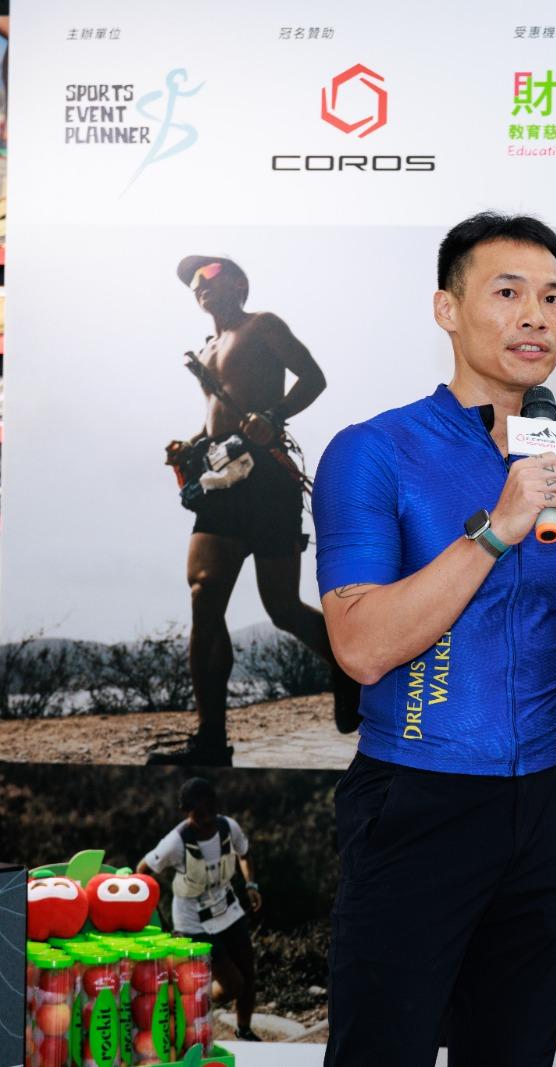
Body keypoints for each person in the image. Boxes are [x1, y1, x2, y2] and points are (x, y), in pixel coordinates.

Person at [311, 212, 556, 1067]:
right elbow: (360, 647)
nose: (536, 316)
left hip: (549, 806)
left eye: (553, 298)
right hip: (417, 798)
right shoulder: (373, 451)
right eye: (508, 293)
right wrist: (495, 529)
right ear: (447, 309)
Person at [155, 254, 359, 765]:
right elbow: (216, 417)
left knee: (282, 607)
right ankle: (210, 740)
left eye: (210, 273)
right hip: (220, 478)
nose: (200, 284)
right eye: (193, 281)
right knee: (204, 593)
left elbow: (313, 377)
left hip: (268, 475)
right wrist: (191, 444)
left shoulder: (263, 325)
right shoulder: (205, 350)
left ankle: (347, 670)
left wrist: (275, 414)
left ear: (238, 283)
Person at [137, 776, 262, 1042]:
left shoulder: (228, 827)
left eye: (210, 809)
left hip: (227, 910)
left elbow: (245, 854)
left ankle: (244, 1030)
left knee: (248, 977)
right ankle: (187, 1004)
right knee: (233, 984)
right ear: (186, 811)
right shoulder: (175, 842)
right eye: (199, 812)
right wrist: (155, 914)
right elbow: (142, 870)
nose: (207, 818)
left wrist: (251, 884)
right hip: (193, 922)